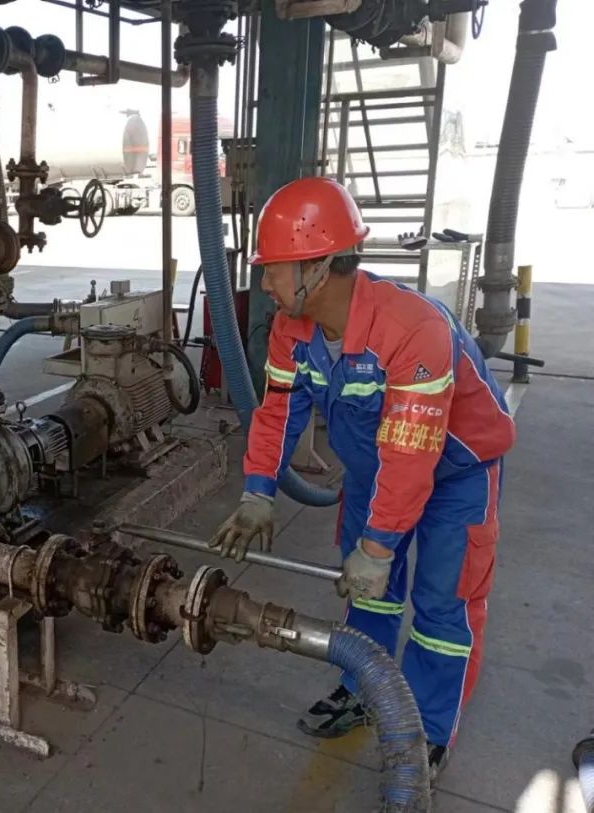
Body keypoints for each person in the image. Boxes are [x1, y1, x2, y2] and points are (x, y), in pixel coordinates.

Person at [211, 177, 515, 783]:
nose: (264, 284)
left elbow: (413, 452)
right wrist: (257, 492)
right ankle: (363, 687)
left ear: (319, 267)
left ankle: (423, 733)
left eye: (273, 270)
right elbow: (278, 412)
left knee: (442, 607)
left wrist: (378, 547)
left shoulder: (411, 328)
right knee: (368, 593)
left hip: (457, 475)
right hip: (377, 471)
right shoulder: (292, 329)